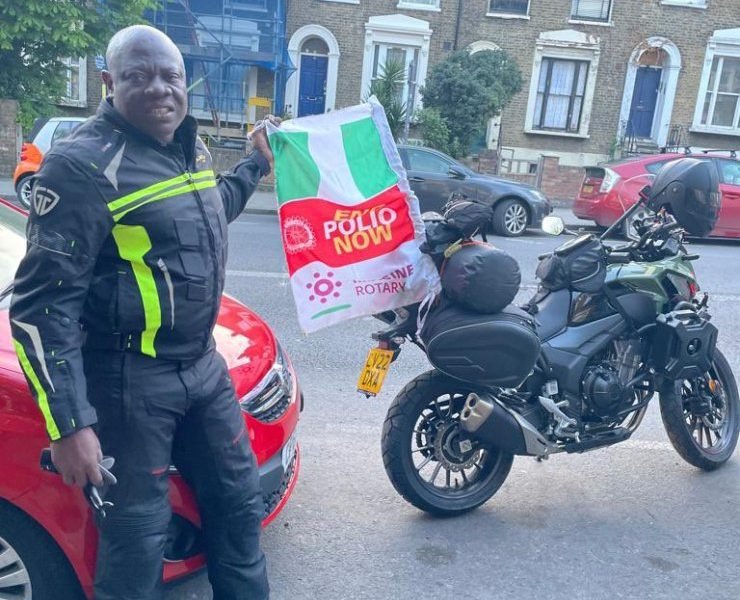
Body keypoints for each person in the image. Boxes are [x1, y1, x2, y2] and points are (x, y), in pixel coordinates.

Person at [10, 24, 276, 600]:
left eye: (170, 76)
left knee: (239, 511)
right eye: (139, 76)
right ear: (109, 82)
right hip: (130, 384)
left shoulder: (188, 145)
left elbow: (209, 210)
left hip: (203, 369)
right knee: (136, 546)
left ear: (186, 81)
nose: (159, 88)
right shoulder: (80, 167)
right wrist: (69, 424)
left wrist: (254, 166)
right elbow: (40, 307)